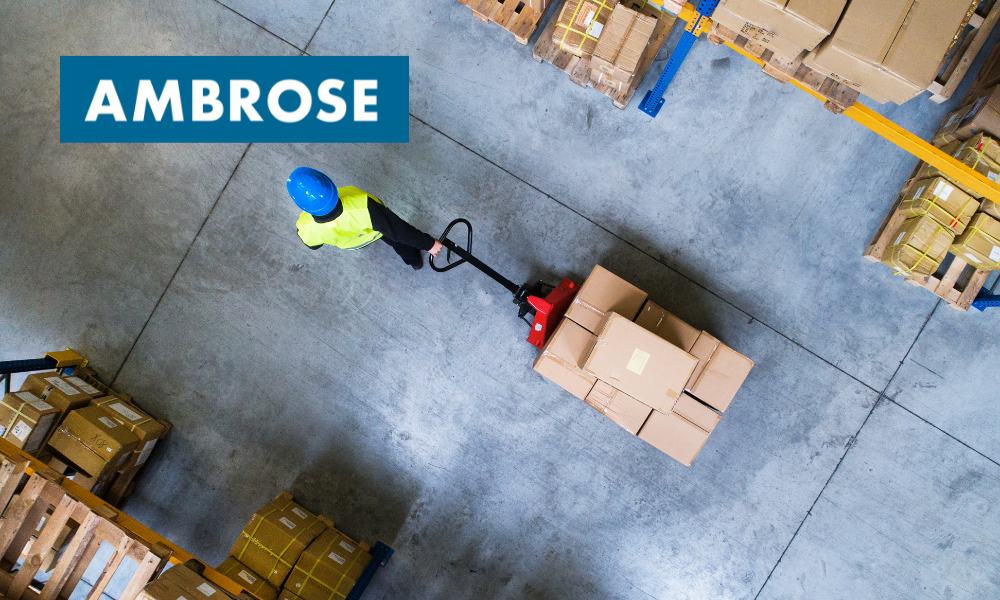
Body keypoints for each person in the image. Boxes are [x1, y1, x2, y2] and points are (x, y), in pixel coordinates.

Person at [287, 167, 444, 270]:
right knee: (398, 241)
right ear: (329, 185)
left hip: (354, 242)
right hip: (376, 231)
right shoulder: (363, 208)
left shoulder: (305, 228)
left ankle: (414, 263)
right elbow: (399, 230)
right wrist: (428, 244)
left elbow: (314, 245)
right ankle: (414, 261)